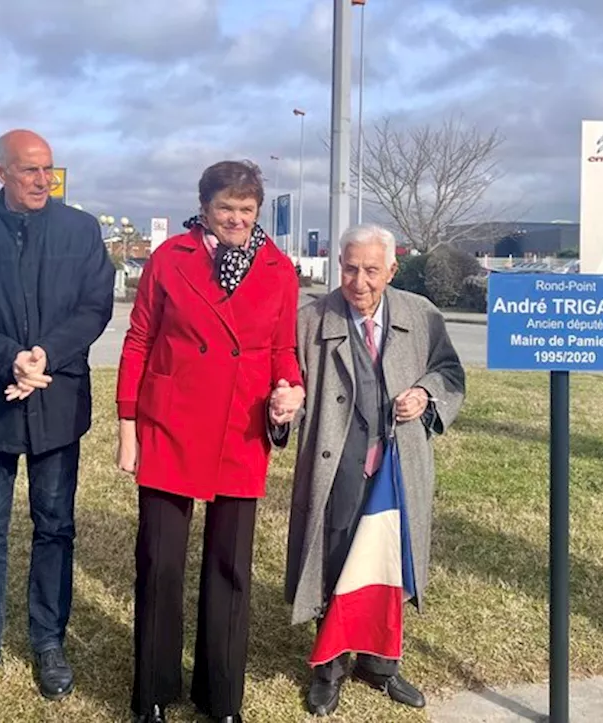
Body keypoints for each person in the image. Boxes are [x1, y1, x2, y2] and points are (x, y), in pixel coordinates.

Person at [0, 129, 115, 708]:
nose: (42, 181)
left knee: (55, 526)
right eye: (30, 170)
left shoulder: (80, 230)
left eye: (49, 170)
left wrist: (44, 356)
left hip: (56, 401)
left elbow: (95, 306)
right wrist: (6, 357)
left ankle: (48, 641)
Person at [116, 160, 304, 723]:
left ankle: (221, 698)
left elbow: (282, 350)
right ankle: (152, 692)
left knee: (230, 569)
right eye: (227, 208)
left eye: (247, 210)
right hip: (169, 425)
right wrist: (128, 427)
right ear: (204, 208)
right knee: (159, 563)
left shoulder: (279, 268)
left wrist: (290, 388)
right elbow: (138, 339)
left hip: (240, 430)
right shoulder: (169, 259)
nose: (237, 219)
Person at [284, 224, 466, 717]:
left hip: (398, 466)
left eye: (370, 271)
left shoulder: (421, 315)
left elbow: (450, 371)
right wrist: (285, 402)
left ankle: (381, 663)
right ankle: (330, 667)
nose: (358, 282)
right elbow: (289, 384)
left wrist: (426, 393)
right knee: (335, 557)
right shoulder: (309, 321)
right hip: (337, 465)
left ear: (392, 270)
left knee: (389, 559)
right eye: (349, 268)